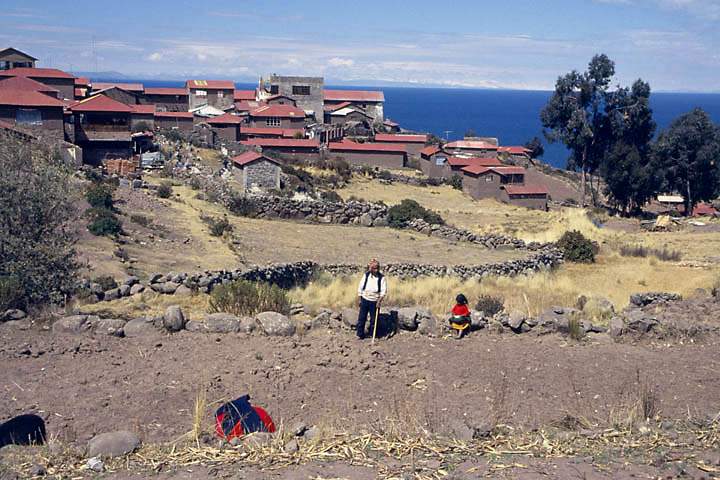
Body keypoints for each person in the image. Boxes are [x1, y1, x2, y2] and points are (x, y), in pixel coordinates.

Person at [356, 259, 387, 340]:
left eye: (377, 268)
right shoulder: (366, 276)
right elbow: (360, 288)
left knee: (374, 320)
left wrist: (379, 301)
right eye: (374, 268)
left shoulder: (381, 278)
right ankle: (360, 334)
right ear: (370, 268)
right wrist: (360, 299)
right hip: (365, 299)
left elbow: (383, 291)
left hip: (374, 301)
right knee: (362, 318)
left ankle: (374, 335)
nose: (376, 270)